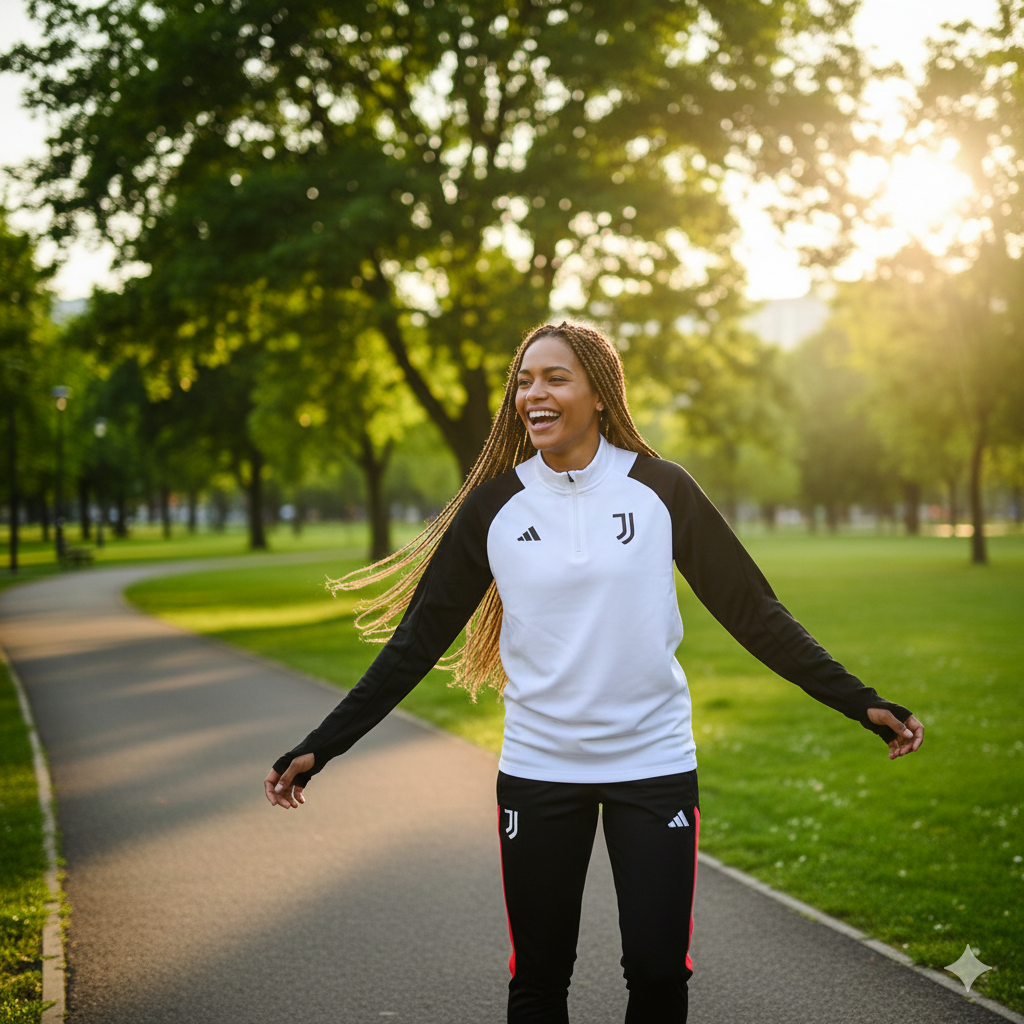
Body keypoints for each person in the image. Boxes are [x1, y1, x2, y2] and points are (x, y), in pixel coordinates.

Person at [265, 320, 924, 1024]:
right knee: (540, 978)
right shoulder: (493, 508)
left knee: (657, 970)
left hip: (653, 761)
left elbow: (754, 613)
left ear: (601, 395)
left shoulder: (662, 490)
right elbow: (413, 645)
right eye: (524, 380)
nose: (533, 394)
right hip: (541, 767)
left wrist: (859, 701)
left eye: (555, 378)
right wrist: (323, 744)